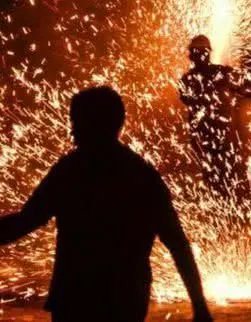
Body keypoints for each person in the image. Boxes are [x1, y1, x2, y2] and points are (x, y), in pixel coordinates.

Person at [0, 86, 212, 321]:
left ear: (93, 124)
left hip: (75, 298)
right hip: (126, 299)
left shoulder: (70, 171)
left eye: (76, 122)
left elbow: (26, 221)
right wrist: (199, 305)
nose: (72, 131)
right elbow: (177, 243)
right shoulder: (141, 174)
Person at [179, 35, 251, 196]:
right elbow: (249, 88)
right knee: (229, 175)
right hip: (225, 138)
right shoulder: (222, 73)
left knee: (211, 175)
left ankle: (217, 201)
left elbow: (186, 99)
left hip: (203, 139)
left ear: (192, 54)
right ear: (208, 53)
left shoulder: (187, 80)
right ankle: (231, 201)